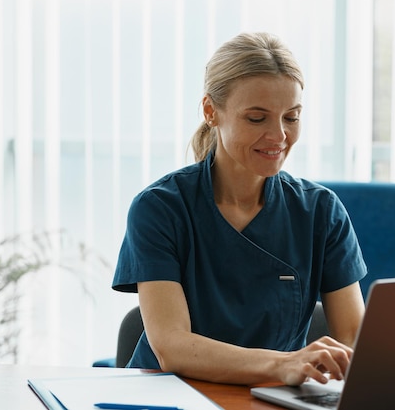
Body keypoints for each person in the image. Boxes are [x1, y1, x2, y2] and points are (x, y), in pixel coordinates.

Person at [112, 32, 367, 386]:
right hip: (170, 397)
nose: (279, 135)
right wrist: (283, 365)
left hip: (271, 399)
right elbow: (172, 346)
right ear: (210, 111)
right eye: (257, 118)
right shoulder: (159, 208)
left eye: (291, 118)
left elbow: (354, 340)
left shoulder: (321, 212)